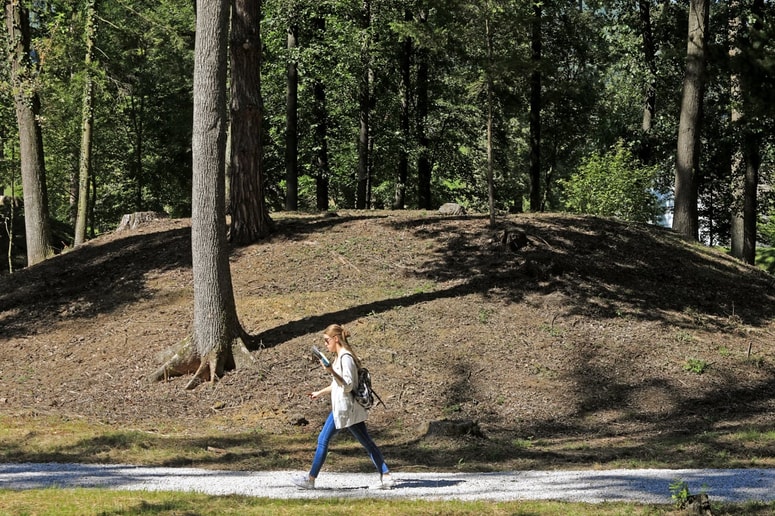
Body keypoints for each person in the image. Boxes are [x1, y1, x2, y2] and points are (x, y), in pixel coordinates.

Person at [292, 324, 395, 490]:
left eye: (327, 341)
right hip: (348, 409)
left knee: (322, 440)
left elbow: (347, 385)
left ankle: (310, 479)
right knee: (367, 443)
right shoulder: (340, 357)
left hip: (344, 409)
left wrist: (331, 370)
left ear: (336, 339)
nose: (326, 345)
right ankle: (386, 475)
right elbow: (338, 384)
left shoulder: (345, 358)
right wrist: (320, 392)